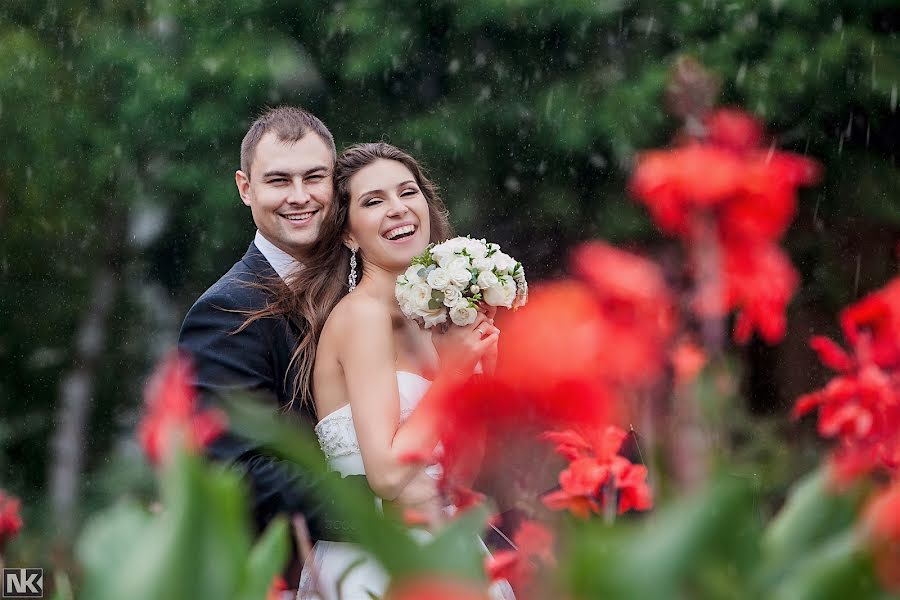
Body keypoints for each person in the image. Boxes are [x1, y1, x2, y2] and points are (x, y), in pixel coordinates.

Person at [177, 109, 437, 582]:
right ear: (245, 188)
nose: (299, 197)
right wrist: (378, 508)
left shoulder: (376, 275)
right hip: (314, 565)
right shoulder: (225, 313)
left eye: (314, 177)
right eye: (279, 181)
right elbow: (236, 471)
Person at [280, 142, 511, 599]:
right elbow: (385, 476)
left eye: (407, 192)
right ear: (347, 233)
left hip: (448, 550)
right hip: (379, 562)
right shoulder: (361, 317)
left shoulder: (432, 325)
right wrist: (450, 380)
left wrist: (476, 380)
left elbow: (461, 477)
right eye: (373, 201)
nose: (398, 209)